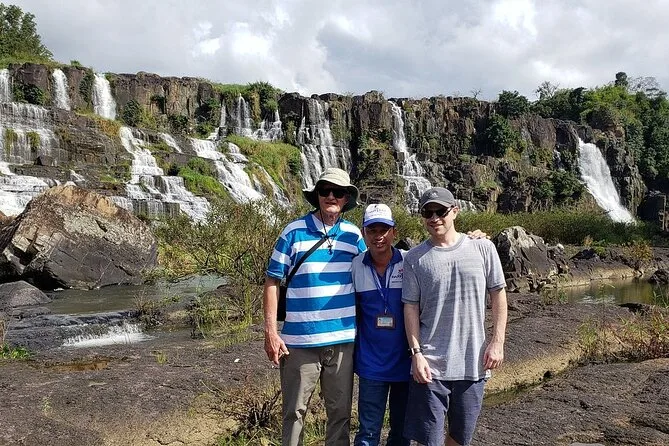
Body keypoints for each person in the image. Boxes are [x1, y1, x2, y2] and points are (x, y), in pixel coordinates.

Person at [263, 167, 366, 446]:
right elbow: (272, 282)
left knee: (340, 414)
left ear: (346, 198)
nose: (331, 196)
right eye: (325, 190)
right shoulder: (293, 232)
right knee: (294, 413)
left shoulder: (354, 236)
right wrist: (271, 333)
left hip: (342, 341)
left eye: (338, 192)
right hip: (299, 343)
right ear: (317, 195)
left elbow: (377, 265)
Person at [401, 187, 508, 446]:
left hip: (472, 363)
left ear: (455, 212)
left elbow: (498, 295)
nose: (434, 218)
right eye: (428, 212)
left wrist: (497, 342)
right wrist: (416, 354)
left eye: (441, 211)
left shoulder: (483, 247)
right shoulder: (414, 258)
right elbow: (410, 308)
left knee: (461, 437)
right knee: (429, 440)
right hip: (430, 365)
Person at [351, 203, 410, 446]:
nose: (379, 236)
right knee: (367, 433)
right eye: (372, 230)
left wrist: (475, 240)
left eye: (384, 230)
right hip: (371, 365)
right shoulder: (355, 265)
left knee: (402, 433)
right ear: (363, 233)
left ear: (394, 232)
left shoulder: (410, 261)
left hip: (406, 364)